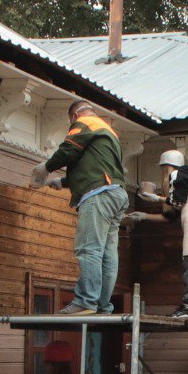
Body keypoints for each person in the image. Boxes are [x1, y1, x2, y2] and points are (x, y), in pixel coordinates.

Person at [30, 101, 130, 316]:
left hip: (99, 195)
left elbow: (68, 150)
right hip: (116, 194)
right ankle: (102, 305)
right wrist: (65, 182)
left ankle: (86, 301)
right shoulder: (109, 132)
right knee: (107, 254)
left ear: (74, 115)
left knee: (89, 249)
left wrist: (45, 168)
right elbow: (97, 165)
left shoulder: (84, 123)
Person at [129, 150, 188, 319]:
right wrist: (144, 215)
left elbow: (176, 202)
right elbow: (171, 216)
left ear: (167, 167)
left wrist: (156, 198)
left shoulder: (176, 174)